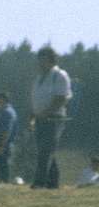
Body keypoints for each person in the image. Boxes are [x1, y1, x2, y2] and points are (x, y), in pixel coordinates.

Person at [31, 47, 73, 189]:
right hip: (40, 118)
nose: (40, 62)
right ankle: (53, 183)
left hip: (54, 119)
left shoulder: (60, 75)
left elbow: (61, 98)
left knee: (46, 150)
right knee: (46, 150)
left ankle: (39, 183)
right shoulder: (39, 77)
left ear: (50, 59)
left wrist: (46, 112)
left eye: (43, 58)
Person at [0, 93, 19, 183]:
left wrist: (1, 145)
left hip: (4, 143)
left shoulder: (7, 112)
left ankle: (4, 183)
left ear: (3, 99)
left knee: (3, 165)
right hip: (5, 143)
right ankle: (3, 181)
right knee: (3, 165)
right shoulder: (9, 111)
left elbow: (6, 131)